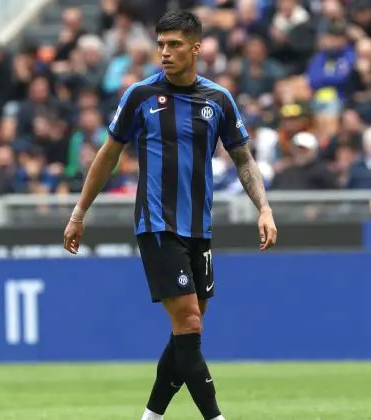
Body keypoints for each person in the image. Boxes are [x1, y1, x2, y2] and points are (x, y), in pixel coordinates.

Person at [62, 10, 278, 420]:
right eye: (161, 44)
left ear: (196, 48)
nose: (165, 52)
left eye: (174, 44)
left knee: (186, 334)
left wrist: (264, 208)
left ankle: (151, 417)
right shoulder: (140, 96)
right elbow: (107, 157)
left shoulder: (218, 100)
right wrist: (78, 213)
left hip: (200, 227)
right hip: (157, 225)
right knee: (190, 323)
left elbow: (244, 161)